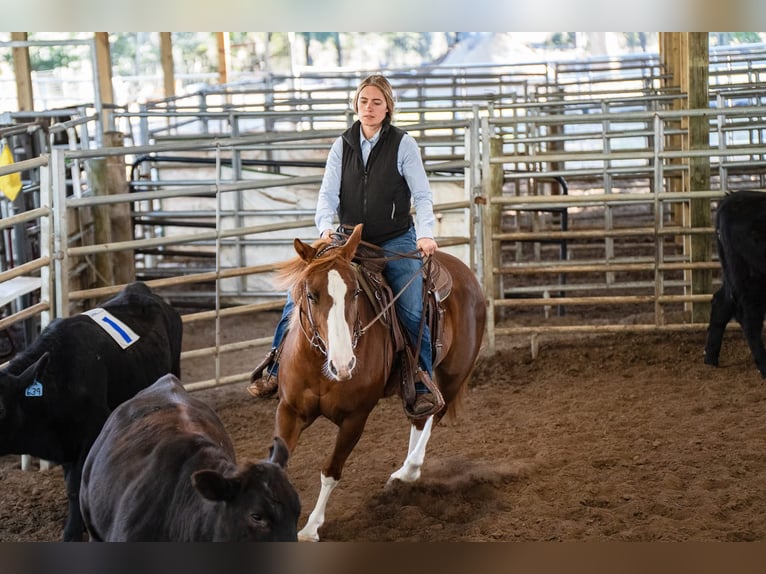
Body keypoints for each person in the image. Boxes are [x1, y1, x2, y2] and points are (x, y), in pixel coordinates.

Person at [247, 74, 439, 417]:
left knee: (411, 307)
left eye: (377, 102)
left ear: (388, 107)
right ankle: (276, 365)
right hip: (346, 240)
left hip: (394, 239)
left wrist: (425, 233)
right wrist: (325, 228)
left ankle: (421, 378)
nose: (369, 107)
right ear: (356, 104)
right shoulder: (343, 144)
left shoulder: (403, 144)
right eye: (364, 101)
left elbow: (422, 195)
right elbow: (327, 195)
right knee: (301, 291)